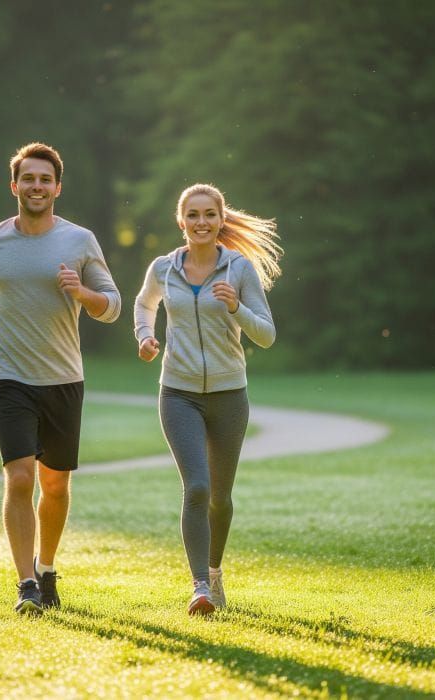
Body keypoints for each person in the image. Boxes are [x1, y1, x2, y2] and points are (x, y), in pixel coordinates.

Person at [0, 142, 121, 615]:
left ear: (57, 188)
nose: (37, 186)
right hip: (7, 377)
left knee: (56, 485)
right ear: (15, 185)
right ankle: (26, 583)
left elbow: (112, 307)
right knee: (21, 477)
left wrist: (81, 292)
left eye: (45, 179)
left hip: (63, 377)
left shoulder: (80, 240)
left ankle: (46, 569)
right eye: (28, 178)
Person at [134, 183, 282, 616]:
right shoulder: (164, 268)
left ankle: (215, 573)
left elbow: (267, 335)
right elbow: (144, 304)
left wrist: (236, 307)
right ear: (181, 221)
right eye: (193, 215)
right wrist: (145, 335)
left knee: (220, 496)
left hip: (229, 395)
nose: (201, 222)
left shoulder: (238, 269)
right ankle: (199, 586)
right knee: (196, 487)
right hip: (178, 393)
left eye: (209, 214)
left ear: (220, 220)